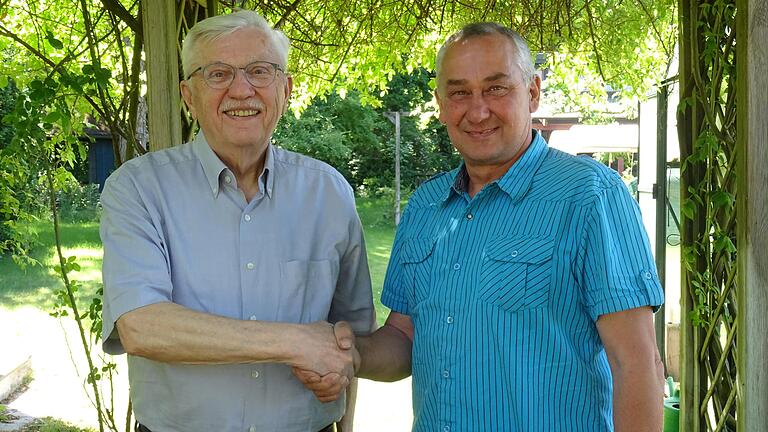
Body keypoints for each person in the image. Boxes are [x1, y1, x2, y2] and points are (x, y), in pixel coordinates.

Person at [296, 22, 665, 431]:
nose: (478, 110)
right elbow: (405, 336)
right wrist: (352, 355)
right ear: (440, 105)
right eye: (459, 93)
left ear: (533, 92)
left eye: (496, 88)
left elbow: (636, 363)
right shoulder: (426, 206)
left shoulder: (589, 195)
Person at [99, 10, 374, 432]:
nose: (241, 90)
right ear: (188, 95)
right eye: (218, 74)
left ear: (286, 90)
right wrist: (295, 343)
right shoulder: (138, 188)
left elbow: (349, 338)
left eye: (260, 72)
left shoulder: (329, 193)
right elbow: (141, 325)